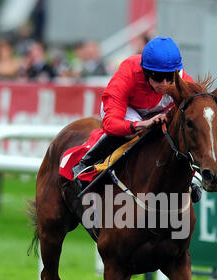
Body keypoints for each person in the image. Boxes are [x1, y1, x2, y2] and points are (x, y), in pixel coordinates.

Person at [72, 36, 202, 202]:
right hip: (128, 109)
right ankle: (86, 164)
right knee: (140, 133)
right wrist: (141, 124)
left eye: (170, 77)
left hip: (158, 110)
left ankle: (188, 179)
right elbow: (110, 124)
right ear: (146, 72)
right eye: (157, 77)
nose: (164, 84)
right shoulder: (129, 71)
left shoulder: (184, 80)